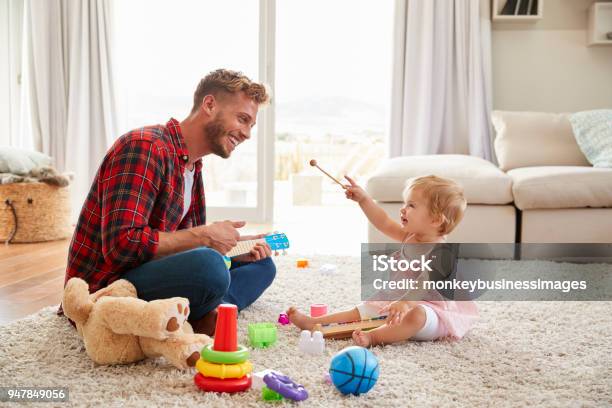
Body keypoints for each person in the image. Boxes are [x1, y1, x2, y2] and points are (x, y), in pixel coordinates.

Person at [63, 69, 276, 335]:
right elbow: (121, 246)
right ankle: (202, 314)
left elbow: (180, 244)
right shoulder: (144, 147)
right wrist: (206, 238)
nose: (247, 134)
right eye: (242, 119)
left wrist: (232, 249)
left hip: (146, 272)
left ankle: (202, 314)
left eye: (251, 125)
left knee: (261, 265)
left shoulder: (193, 167)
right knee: (208, 267)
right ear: (209, 105)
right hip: (107, 287)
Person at [287, 175, 479, 346]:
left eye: (411, 205)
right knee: (364, 309)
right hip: (398, 301)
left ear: (436, 220)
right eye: (405, 203)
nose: (403, 209)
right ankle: (314, 322)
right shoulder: (410, 236)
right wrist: (363, 199)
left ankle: (374, 337)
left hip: (433, 312)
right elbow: (383, 221)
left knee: (417, 315)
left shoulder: (442, 253)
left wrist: (406, 304)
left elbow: (423, 283)